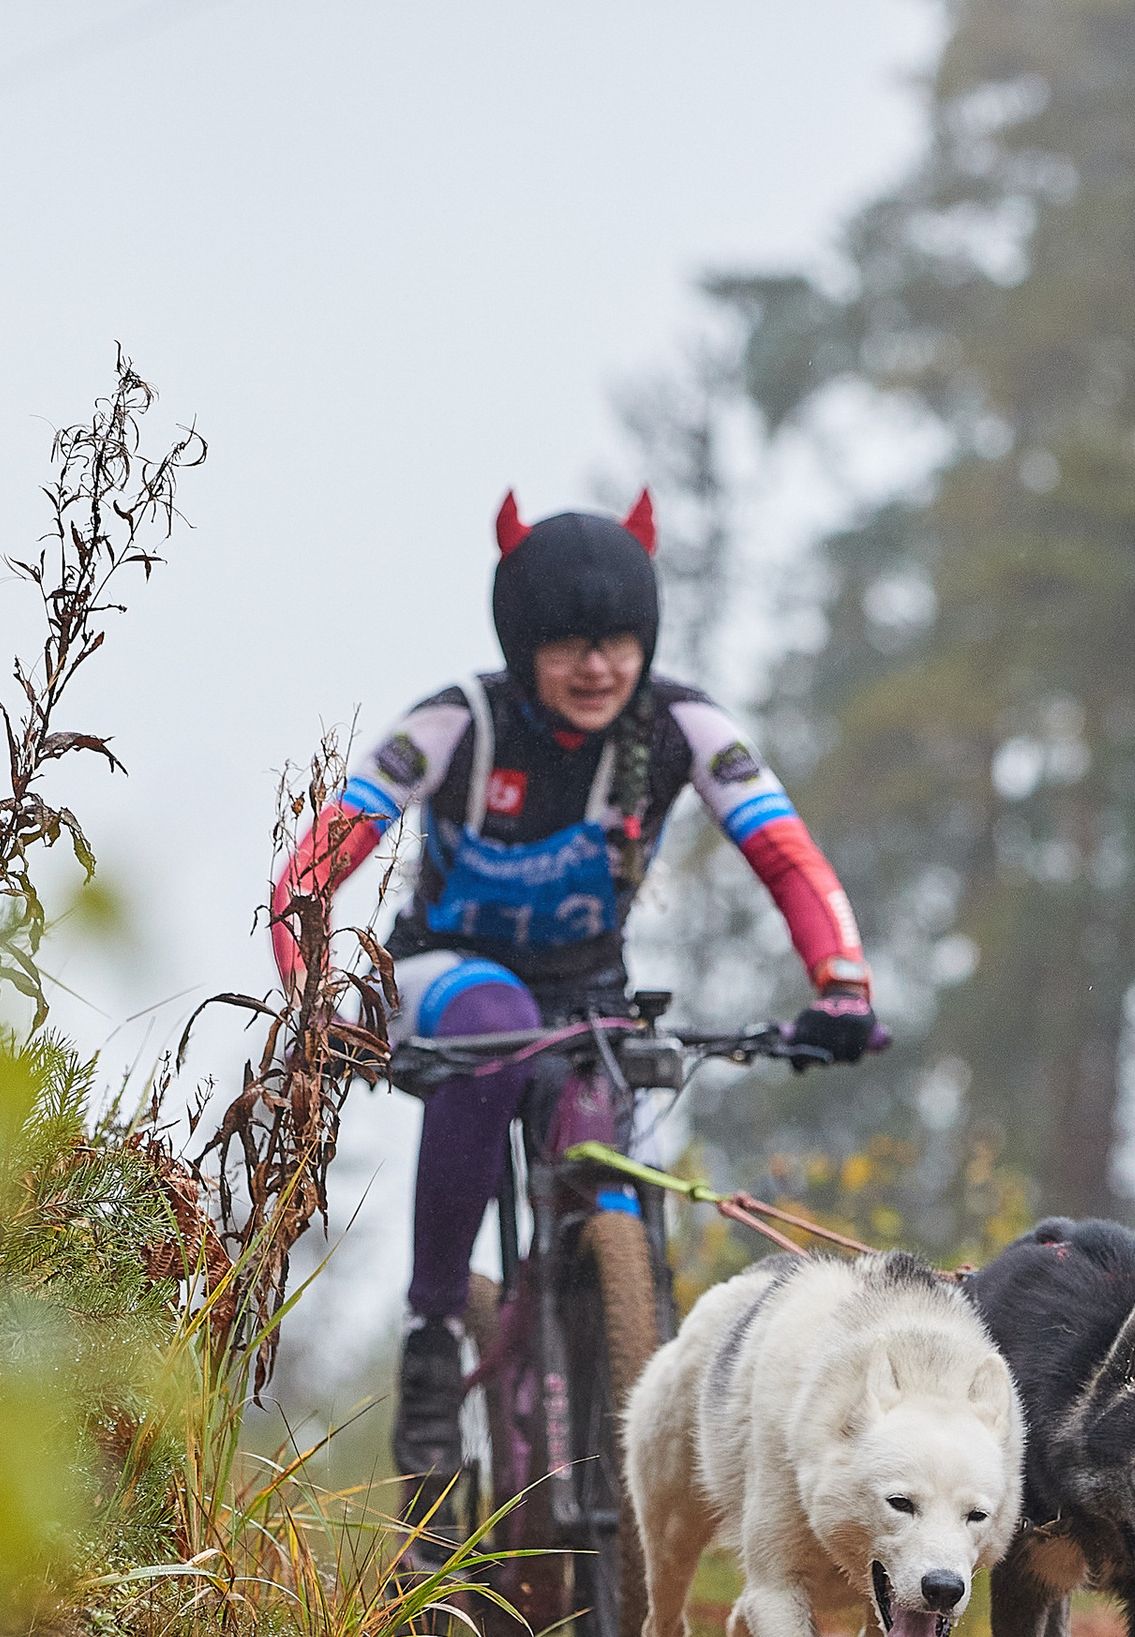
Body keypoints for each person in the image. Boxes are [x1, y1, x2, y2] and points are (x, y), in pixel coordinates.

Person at [270, 488, 881, 1511]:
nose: (597, 666)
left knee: (601, 1131)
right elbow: (309, 876)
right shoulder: (457, 721)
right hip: (440, 977)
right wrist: (314, 1003)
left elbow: (782, 849)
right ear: (523, 644)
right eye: (566, 645)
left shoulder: (679, 725)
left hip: (589, 997)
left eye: (618, 643)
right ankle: (430, 1338)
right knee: (494, 1018)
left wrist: (842, 986)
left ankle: (619, 1350)